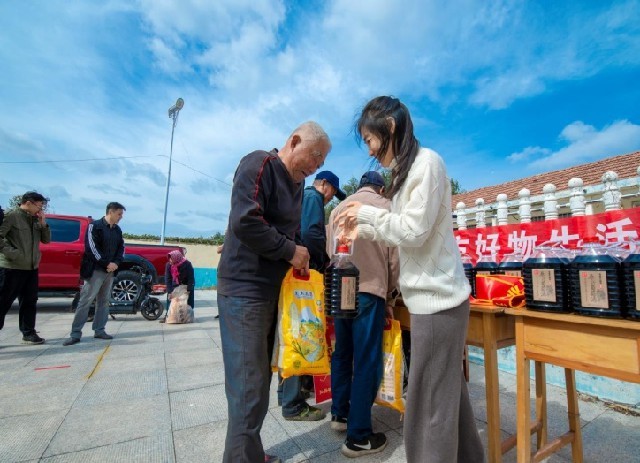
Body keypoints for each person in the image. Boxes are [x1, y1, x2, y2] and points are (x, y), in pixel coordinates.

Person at [335, 96, 484, 462]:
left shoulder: (427, 164)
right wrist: (366, 225)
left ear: (390, 127)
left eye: (370, 140)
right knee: (449, 401)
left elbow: (414, 231)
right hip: (431, 298)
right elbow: (405, 236)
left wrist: (367, 217)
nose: (370, 151)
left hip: (438, 300)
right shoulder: (405, 174)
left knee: (428, 408)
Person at [217, 121, 331, 463]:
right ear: (293, 141)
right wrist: (289, 250)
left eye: (321, 161)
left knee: (258, 382)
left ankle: (248, 453)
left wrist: (299, 253)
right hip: (244, 290)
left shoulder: (298, 185)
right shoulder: (259, 164)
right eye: (314, 155)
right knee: (248, 386)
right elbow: (246, 221)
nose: (316, 165)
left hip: (271, 291)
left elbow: (288, 232)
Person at [326, 171, 399, 457]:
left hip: (341, 287)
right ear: (380, 189)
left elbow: (329, 250)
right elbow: (394, 257)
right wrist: (391, 294)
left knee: (343, 353)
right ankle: (359, 437)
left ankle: (340, 414)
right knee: (367, 359)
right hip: (369, 288)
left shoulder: (337, 210)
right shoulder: (385, 207)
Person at [278, 170, 345, 420]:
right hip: (305, 272)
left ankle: (285, 393)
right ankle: (293, 404)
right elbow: (312, 233)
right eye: (332, 193)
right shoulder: (313, 197)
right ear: (324, 184)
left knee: (291, 330)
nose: (330, 199)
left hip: (290, 273)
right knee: (302, 332)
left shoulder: (300, 197)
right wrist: (324, 262)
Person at [63, 202, 126, 346]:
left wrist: (116, 263)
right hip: (96, 270)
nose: (121, 217)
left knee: (104, 301)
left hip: (110, 271)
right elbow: (92, 248)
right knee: (85, 301)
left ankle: (99, 330)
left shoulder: (117, 230)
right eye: (119, 214)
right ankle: (75, 333)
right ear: (111, 212)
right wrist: (106, 263)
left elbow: (121, 248)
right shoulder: (94, 226)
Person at [0, 191, 51, 344]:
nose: (40, 209)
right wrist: (12, 253)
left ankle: (28, 332)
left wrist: (43, 224)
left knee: (30, 301)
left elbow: (46, 240)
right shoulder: (10, 216)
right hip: (11, 267)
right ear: (28, 202)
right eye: (39, 205)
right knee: (3, 302)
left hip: (31, 267)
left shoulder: (35, 220)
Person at [159, 249, 195, 323]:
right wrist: (169, 291)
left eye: (171, 258)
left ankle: (188, 317)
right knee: (171, 302)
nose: (170, 260)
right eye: (169, 258)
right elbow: (168, 278)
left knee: (188, 302)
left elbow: (191, 277)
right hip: (174, 285)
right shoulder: (168, 265)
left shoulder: (187, 264)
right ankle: (168, 316)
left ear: (177, 257)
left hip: (186, 285)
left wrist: (188, 290)